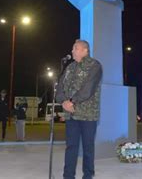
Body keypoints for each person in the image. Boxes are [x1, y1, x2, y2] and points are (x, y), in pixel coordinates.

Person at [56, 39, 102, 179]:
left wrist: (71, 101)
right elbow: (60, 87)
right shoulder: (69, 67)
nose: (72, 51)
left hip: (88, 115)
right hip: (71, 115)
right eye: (73, 48)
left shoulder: (94, 65)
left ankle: (88, 175)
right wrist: (63, 101)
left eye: (75, 48)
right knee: (71, 147)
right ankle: (68, 176)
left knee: (88, 148)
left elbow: (88, 89)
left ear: (85, 50)